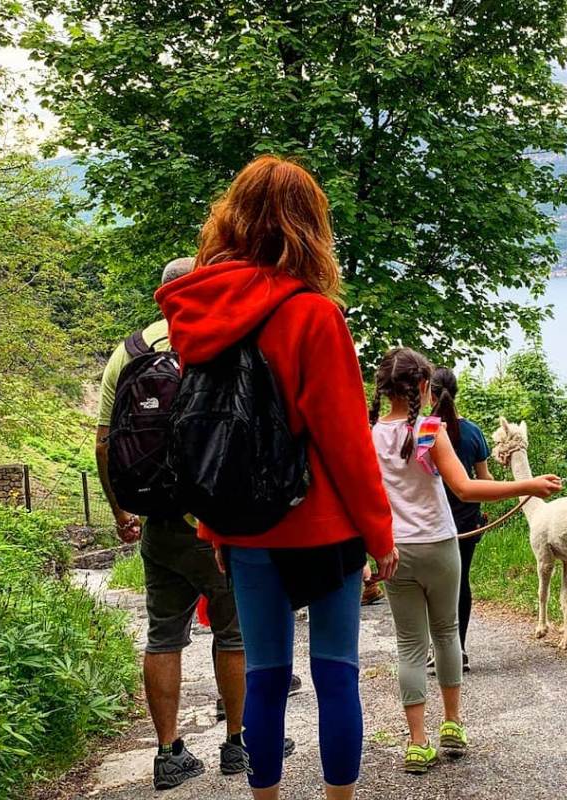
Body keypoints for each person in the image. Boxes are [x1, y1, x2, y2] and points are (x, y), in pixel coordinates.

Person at [156, 155, 398, 800]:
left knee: (265, 676)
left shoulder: (196, 313)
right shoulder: (314, 314)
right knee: (337, 676)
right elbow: (346, 441)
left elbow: (206, 426)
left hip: (243, 527)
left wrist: (214, 523)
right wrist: (380, 534)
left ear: (231, 218)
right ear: (309, 224)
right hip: (324, 528)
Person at [96, 258, 288, 790]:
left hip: (158, 519)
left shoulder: (129, 352)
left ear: (160, 294)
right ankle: (236, 743)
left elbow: (105, 442)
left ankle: (167, 752)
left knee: (163, 636)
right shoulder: (219, 339)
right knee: (233, 635)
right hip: (218, 518)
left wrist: (121, 511)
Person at [369, 348, 562, 774]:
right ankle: (452, 724)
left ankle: (418, 742)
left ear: (382, 389)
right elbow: (466, 489)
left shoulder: (367, 437)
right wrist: (528, 485)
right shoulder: (429, 430)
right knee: (446, 632)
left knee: (409, 645)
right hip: (440, 544)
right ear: (423, 387)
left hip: (395, 551)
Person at [428, 367, 492, 671]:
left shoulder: (424, 430)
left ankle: (435, 649)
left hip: (431, 522)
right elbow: (484, 478)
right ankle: (459, 649)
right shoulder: (473, 432)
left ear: (429, 392)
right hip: (467, 523)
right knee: (460, 581)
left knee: (430, 586)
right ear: (456, 392)